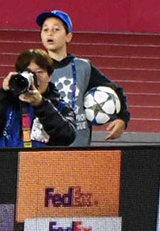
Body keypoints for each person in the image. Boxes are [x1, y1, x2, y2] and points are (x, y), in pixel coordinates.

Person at [37, 9, 129, 144]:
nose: (50, 33)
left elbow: (115, 91)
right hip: (45, 147)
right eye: (45, 29)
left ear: (68, 36)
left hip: (79, 146)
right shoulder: (35, 68)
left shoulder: (83, 67)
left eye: (56, 29)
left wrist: (122, 119)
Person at [0, 49, 77, 148]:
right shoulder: (7, 100)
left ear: (50, 76)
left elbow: (67, 137)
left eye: (39, 72)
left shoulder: (60, 107)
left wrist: (41, 104)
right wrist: (3, 93)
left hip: (36, 158)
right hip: (2, 156)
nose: (34, 78)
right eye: (28, 73)